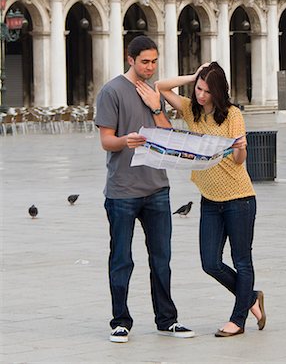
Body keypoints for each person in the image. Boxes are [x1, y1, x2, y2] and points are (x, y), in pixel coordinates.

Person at [139, 61, 266, 337]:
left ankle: (238, 319)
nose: (201, 95)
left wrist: (241, 148)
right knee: (210, 263)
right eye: (198, 88)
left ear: (218, 92)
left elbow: (239, 161)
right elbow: (160, 87)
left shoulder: (232, 115)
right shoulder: (190, 111)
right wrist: (194, 75)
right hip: (209, 200)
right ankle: (251, 297)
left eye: (207, 91)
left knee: (242, 260)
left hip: (239, 198)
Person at [95, 35, 195, 343]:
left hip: (157, 189)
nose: (150, 67)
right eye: (144, 62)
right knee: (122, 258)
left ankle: (167, 320)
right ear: (130, 59)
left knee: (161, 258)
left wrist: (156, 107)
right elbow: (106, 141)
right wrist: (126, 140)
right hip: (122, 190)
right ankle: (120, 321)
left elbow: (169, 138)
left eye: (154, 61)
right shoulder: (111, 91)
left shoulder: (155, 92)